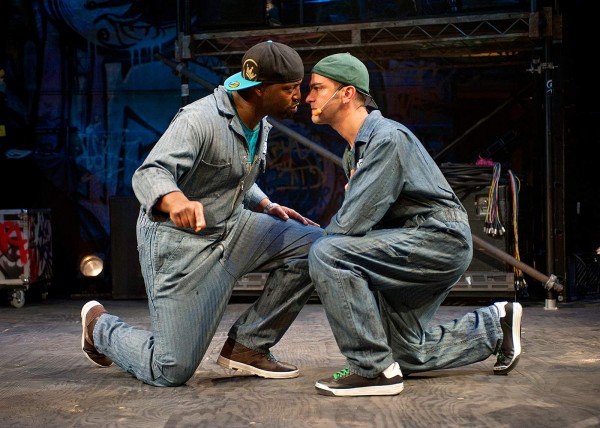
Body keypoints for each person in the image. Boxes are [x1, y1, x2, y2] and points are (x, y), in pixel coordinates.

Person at [80, 40, 323, 387]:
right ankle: (99, 327)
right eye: (288, 89)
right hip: (181, 246)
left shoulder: (259, 121)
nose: (298, 95)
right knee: (171, 369)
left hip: (233, 228)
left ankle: (247, 346)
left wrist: (265, 204)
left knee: (318, 246)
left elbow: (230, 174)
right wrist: (176, 201)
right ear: (258, 91)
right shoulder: (199, 120)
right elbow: (151, 173)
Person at [305, 52, 523, 397]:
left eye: (317, 88)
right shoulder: (354, 152)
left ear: (346, 93)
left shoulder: (386, 138)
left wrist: (311, 254)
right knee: (408, 353)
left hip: (436, 239)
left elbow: (351, 224)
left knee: (328, 253)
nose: (308, 97)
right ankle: (496, 325)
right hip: (409, 242)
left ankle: (374, 370)